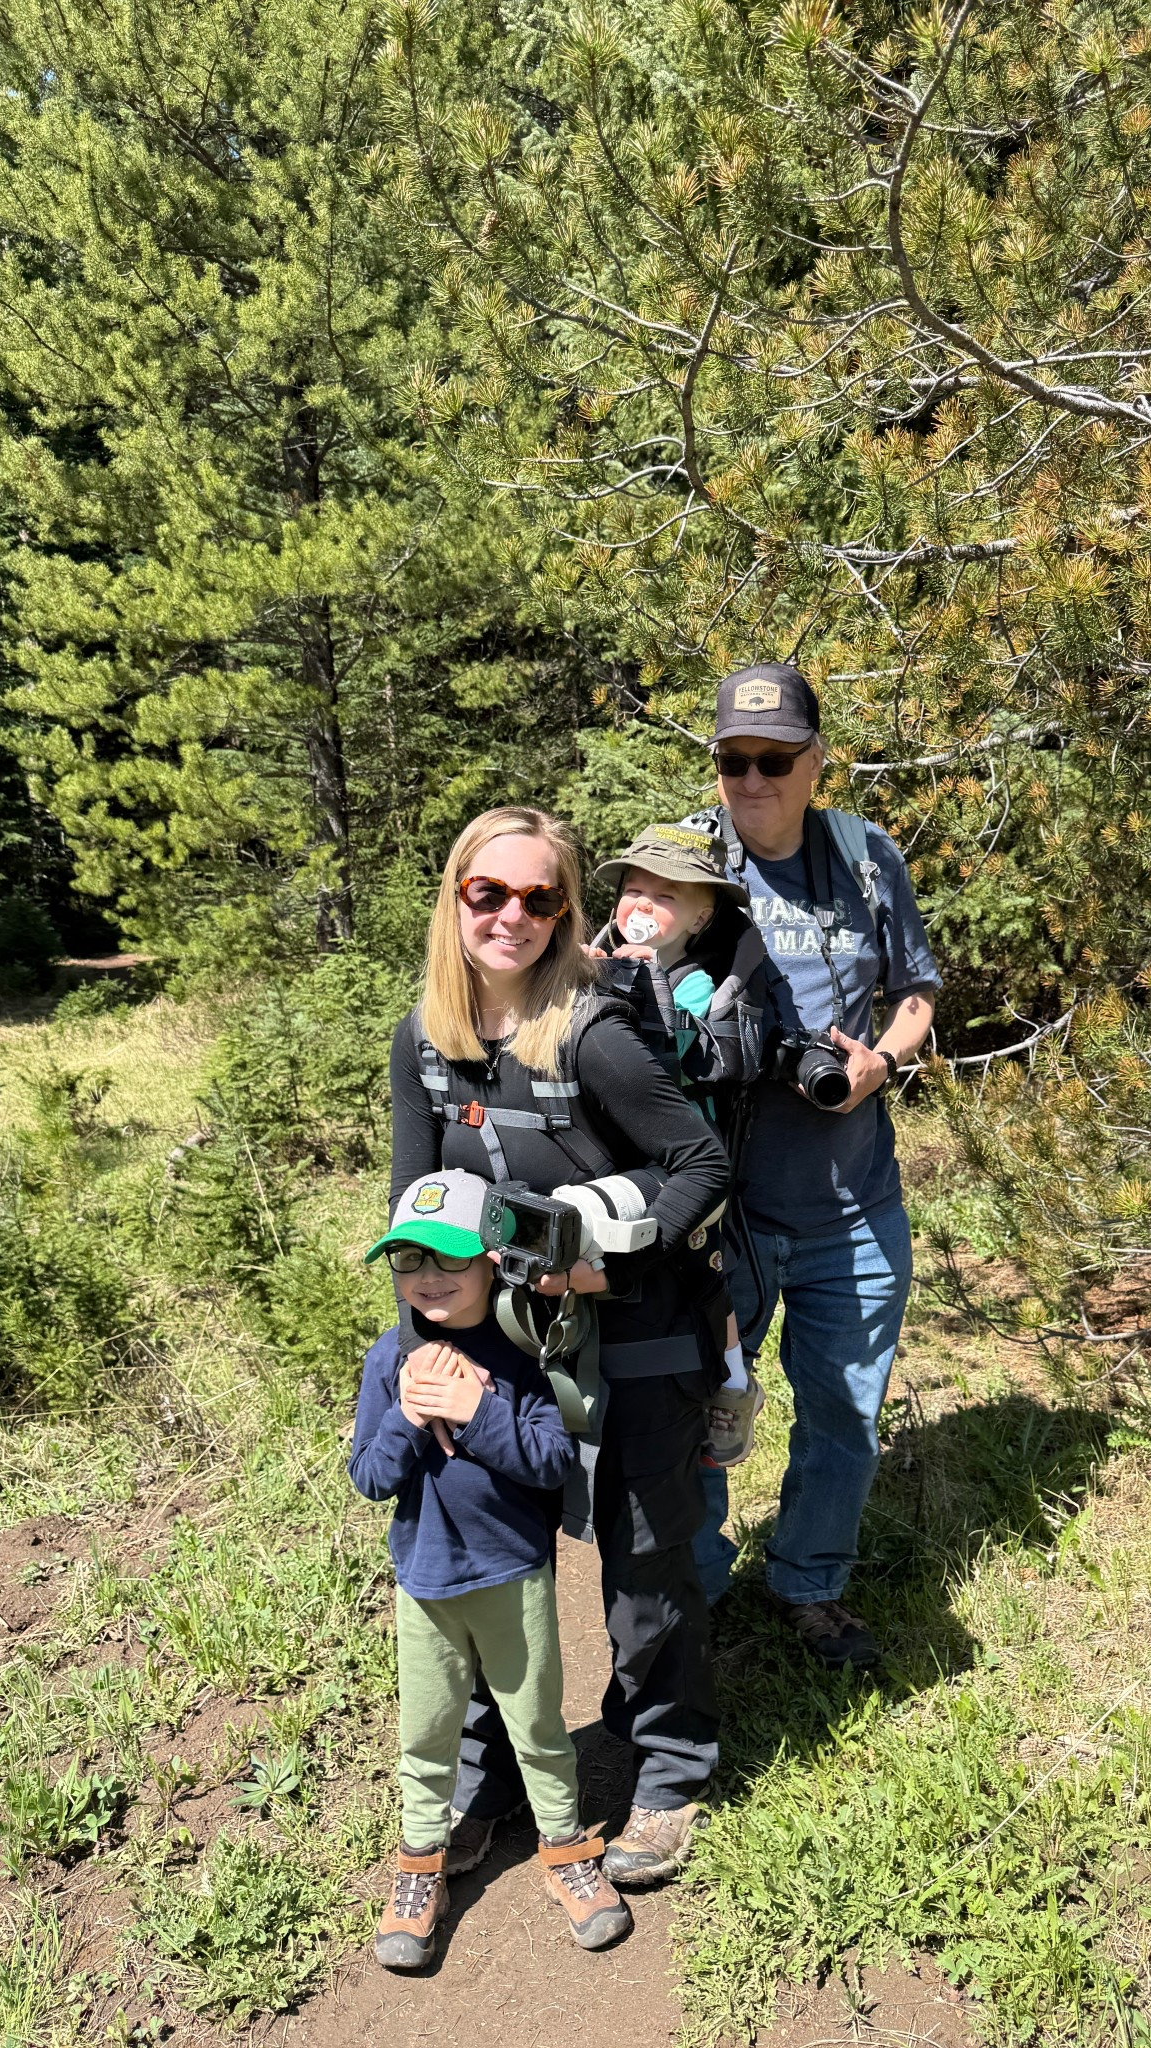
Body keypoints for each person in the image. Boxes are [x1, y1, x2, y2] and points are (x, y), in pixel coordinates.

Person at [389, 806, 730, 1888]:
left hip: (638, 1330)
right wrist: (420, 1364)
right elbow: (411, 1203)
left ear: (567, 910)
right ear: (455, 898)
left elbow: (702, 1164)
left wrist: (606, 1264)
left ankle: (669, 1769)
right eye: (490, 892)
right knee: (494, 1562)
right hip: (504, 1349)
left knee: (641, 1564)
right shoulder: (425, 1040)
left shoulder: (592, 1031)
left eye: (542, 897)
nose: (514, 915)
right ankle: (489, 1786)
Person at [691, 662, 941, 1672]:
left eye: (776, 758)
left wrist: (880, 1061)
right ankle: (693, 1587)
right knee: (704, 1407)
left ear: (815, 761)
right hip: (725, 1211)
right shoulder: (690, 864)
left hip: (853, 1201)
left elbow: (918, 988)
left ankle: (810, 1582)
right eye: (734, 759)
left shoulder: (864, 855)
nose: (754, 779)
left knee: (845, 1407)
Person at [350, 1168, 632, 1966]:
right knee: (427, 1734)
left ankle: (567, 1850)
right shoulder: (389, 1359)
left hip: (514, 1575)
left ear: (490, 1261)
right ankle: (419, 1868)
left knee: (538, 1726)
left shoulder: (522, 1349)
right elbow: (371, 1477)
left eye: (447, 1258)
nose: (428, 1279)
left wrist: (476, 1412)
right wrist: (411, 1413)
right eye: (407, 1261)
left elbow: (549, 1462)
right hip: (427, 1587)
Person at [591, 823, 767, 1466]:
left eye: (666, 897)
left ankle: (732, 1381)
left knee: (701, 1273)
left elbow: (684, 1044)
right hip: (615, 1155)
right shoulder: (593, 961)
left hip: (682, 1157)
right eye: (633, 890)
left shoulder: (692, 980)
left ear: (701, 915)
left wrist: (644, 986)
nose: (642, 906)